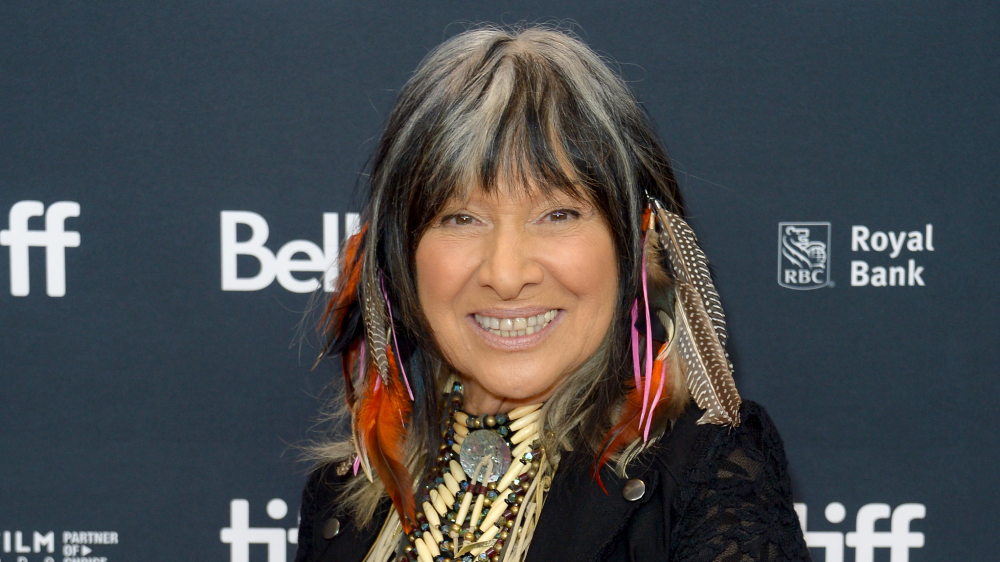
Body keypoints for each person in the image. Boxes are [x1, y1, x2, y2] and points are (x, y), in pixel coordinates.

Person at [295, 25, 810, 562]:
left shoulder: (706, 477)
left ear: (638, 244)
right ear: (398, 260)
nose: (507, 273)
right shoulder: (342, 501)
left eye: (557, 214)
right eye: (460, 217)